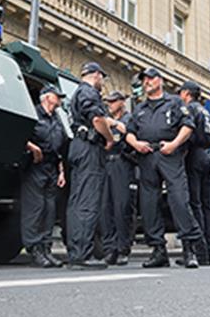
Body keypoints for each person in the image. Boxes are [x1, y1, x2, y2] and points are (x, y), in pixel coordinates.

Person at [125, 68, 202, 269]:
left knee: (179, 199)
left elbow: (188, 126)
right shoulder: (139, 108)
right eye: (144, 80)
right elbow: (129, 132)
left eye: (150, 78)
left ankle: (189, 250)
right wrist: (135, 144)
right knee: (149, 203)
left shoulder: (175, 102)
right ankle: (158, 250)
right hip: (146, 155)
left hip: (169, 153)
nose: (147, 82)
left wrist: (174, 144)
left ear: (160, 80)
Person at [66, 62, 125, 269]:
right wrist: (109, 138)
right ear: (97, 75)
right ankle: (82, 254)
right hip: (89, 150)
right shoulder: (89, 92)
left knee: (77, 202)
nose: (102, 82)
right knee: (88, 202)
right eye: (102, 78)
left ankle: (76, 252)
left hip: (78, 147)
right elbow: (98, 119)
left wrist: (114, 123)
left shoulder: (77, 93)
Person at [20, 85, 67, 268]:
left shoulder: (57, 117)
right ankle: (35, 249)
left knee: (49, 210)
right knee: (35, 209)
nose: (60, 99)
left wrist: (61, 170)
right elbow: (17, 133)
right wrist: (32, 147)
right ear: (47, 97)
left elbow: (60, 146)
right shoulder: (32, 112)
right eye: (57, 96)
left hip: (52, 167)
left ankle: (46, 249)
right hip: (35, 166)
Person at [178, 81, 210, 266]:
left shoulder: (190, 109)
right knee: (207, 206)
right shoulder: (205, 111)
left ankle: (200, 252)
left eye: (181, 92)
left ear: (187, 93)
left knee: (195, 204)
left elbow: (188, 131)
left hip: (193, 156)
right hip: (206, 156)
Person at [99, 90, 136, 265]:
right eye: (108, 102)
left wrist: (118, 127)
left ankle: (123, 248)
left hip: (123, 162)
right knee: (105, 208)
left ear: (122, 102)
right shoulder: (106, 119)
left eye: (113, 101)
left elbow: (130, 138)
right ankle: (109, 248)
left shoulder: (129, 120)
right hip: (106, 163)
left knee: (122, 207)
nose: (110, 105)